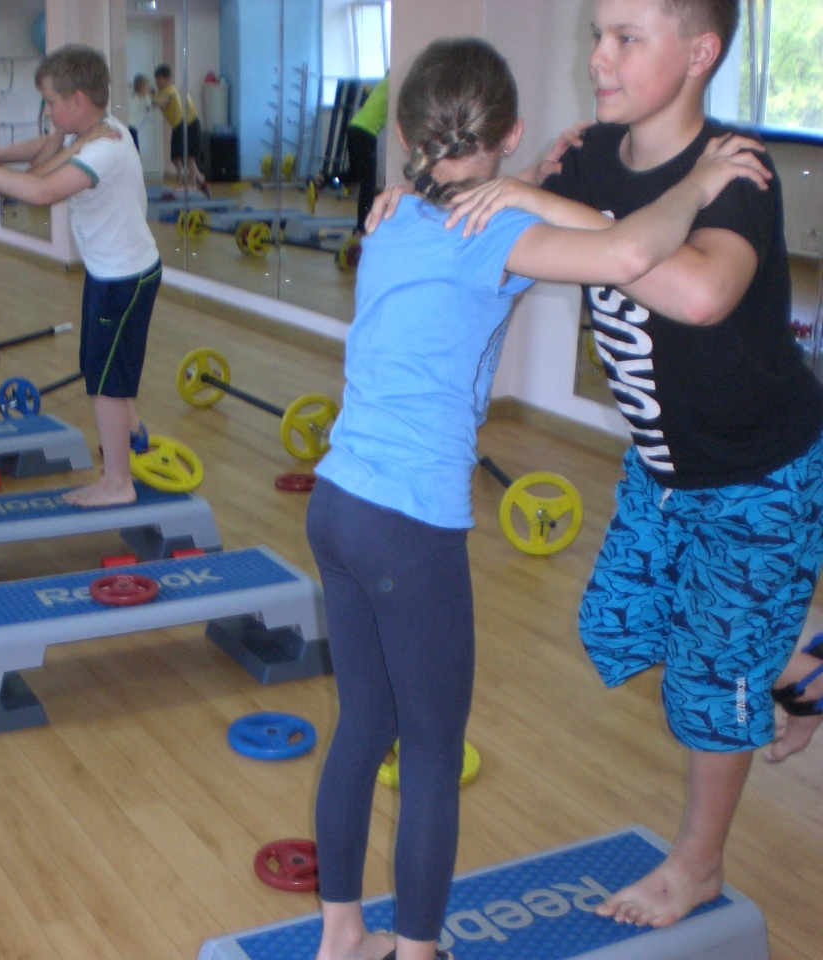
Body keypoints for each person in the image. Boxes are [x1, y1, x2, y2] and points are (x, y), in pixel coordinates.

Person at [308, 35, 769, 960]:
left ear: (406, 134)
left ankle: (342, 935)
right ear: (510, 133)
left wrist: (528, 178)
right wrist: (701, 181)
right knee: (432, 748)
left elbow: (481, 198)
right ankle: (418, 952)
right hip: (408, 527)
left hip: (336, 503)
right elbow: (629, 252)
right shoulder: (498, 233)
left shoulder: (392, 215)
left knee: (364, 722)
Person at [434, 0, 823, 929]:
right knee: (613, 624)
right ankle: (799, 663)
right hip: (661, 468)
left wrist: (562, 207)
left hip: (757, 474)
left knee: (708, 685)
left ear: (700, 52)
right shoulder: (589, 156)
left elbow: (701, 291)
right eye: (596, 36)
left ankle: (697, 865)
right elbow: (502, 213)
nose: (598, 58)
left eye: (624, 39)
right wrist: (414, 205)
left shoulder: (733, 169)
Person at [0, 45, 161, 507]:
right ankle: (131, 432)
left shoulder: (104, 148)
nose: (48, 113)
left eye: (52, 103)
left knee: (105, 381)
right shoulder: (93, 128)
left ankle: (118, 482)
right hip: (111, 272)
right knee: (101, 366)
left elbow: (39, 191)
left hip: (123, 278)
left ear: (78, 99)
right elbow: (40, 157)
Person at [152, 63, 207, 194]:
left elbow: (161, 102)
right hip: (180, 125)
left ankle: (191, 184)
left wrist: (150, 95)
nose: (157, 82)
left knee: (188, 156)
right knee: (177, 156)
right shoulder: (162, 91)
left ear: (167, 79)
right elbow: (157, 102)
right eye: (156, 79)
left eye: (159, 79)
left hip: (190, 124)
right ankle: (198, 178)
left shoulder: (170, 89)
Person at [344, 75, 386, 234]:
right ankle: (362, 229)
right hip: (366, 133)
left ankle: (322, 180)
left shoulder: (382, 85)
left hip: (354, 127)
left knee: (355, 174)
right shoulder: (394, 86)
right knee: (368, 184)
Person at [127, 73, 152, 153]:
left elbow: (149, 106)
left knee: (134, 153)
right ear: (141, 86)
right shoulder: (134, 98)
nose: (148, 88)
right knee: (135, 153)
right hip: (130, 127)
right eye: (146, 86)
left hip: (133, 127)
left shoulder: (144, 98)